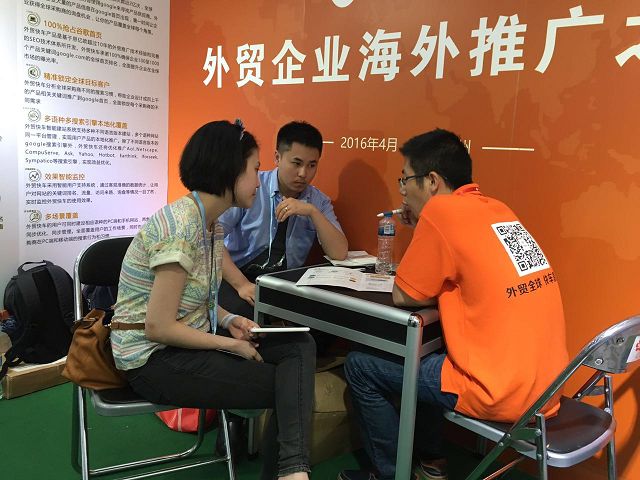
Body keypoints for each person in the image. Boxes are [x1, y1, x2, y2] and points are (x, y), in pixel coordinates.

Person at [339, 129, 568, 480]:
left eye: (405, 179)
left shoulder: (442, 212)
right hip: (547, 387)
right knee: (430, 355)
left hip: (499, 391)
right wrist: (423, 224)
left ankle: (389, 474)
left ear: (431, 181)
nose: (402, 190)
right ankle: (432, 461)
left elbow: (405, 294)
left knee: (360, 365)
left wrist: (424, 223)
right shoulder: (498, 209)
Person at [110, 120, 316, 480]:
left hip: (186, 343)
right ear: (229, 171)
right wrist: (229, 344)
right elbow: (158, 327)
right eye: (254, 170)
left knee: (299, 345)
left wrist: (228, 320)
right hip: (152, 360)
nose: (259, 181)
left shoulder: (210, 224)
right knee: (287, 387)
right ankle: (292, 472)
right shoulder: (181, 226)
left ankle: (291, 470)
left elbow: (192, 300)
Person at [218, 121, 348, 320]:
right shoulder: (251, 187)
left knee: (326, 319)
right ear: (277, 157)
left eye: (312, 165)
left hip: (283, 285)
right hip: (238, 277)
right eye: (296, 163)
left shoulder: (318, 201)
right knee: (247, 318)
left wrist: (312, 212)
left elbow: (339, 253)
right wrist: (241, 284)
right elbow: (213, 238)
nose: (303, 173)